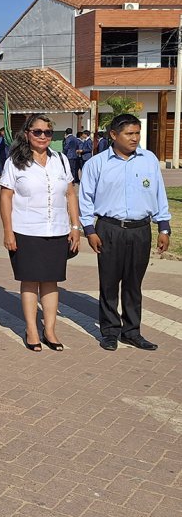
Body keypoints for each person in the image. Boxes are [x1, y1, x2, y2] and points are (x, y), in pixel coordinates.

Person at [79, 114, 171, 352]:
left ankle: (132, 332)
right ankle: (109, 331)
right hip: (109, 229)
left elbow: (159, 194)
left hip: (140, 230)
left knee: (133, 283)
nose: (135, 138)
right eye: (129, 134)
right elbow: (85, 199)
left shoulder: (149, 160)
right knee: (109, 283)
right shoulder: (96, 164)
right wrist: (89, 230)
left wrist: (163, 227)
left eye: (137, 133)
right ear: (113, 135)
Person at [0, 114, 81, 352]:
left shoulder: (61, 160)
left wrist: (75, 226)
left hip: (56, 229)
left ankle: (50, 330)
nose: (43, 136)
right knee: (30, 280)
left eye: (47, 132)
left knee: (51, 281)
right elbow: (6, 196)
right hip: (26, 230)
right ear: (27, 134)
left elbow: (70, 194)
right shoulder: (15, 162)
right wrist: (8, 231)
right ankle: (32, 330)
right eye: (37, 132)